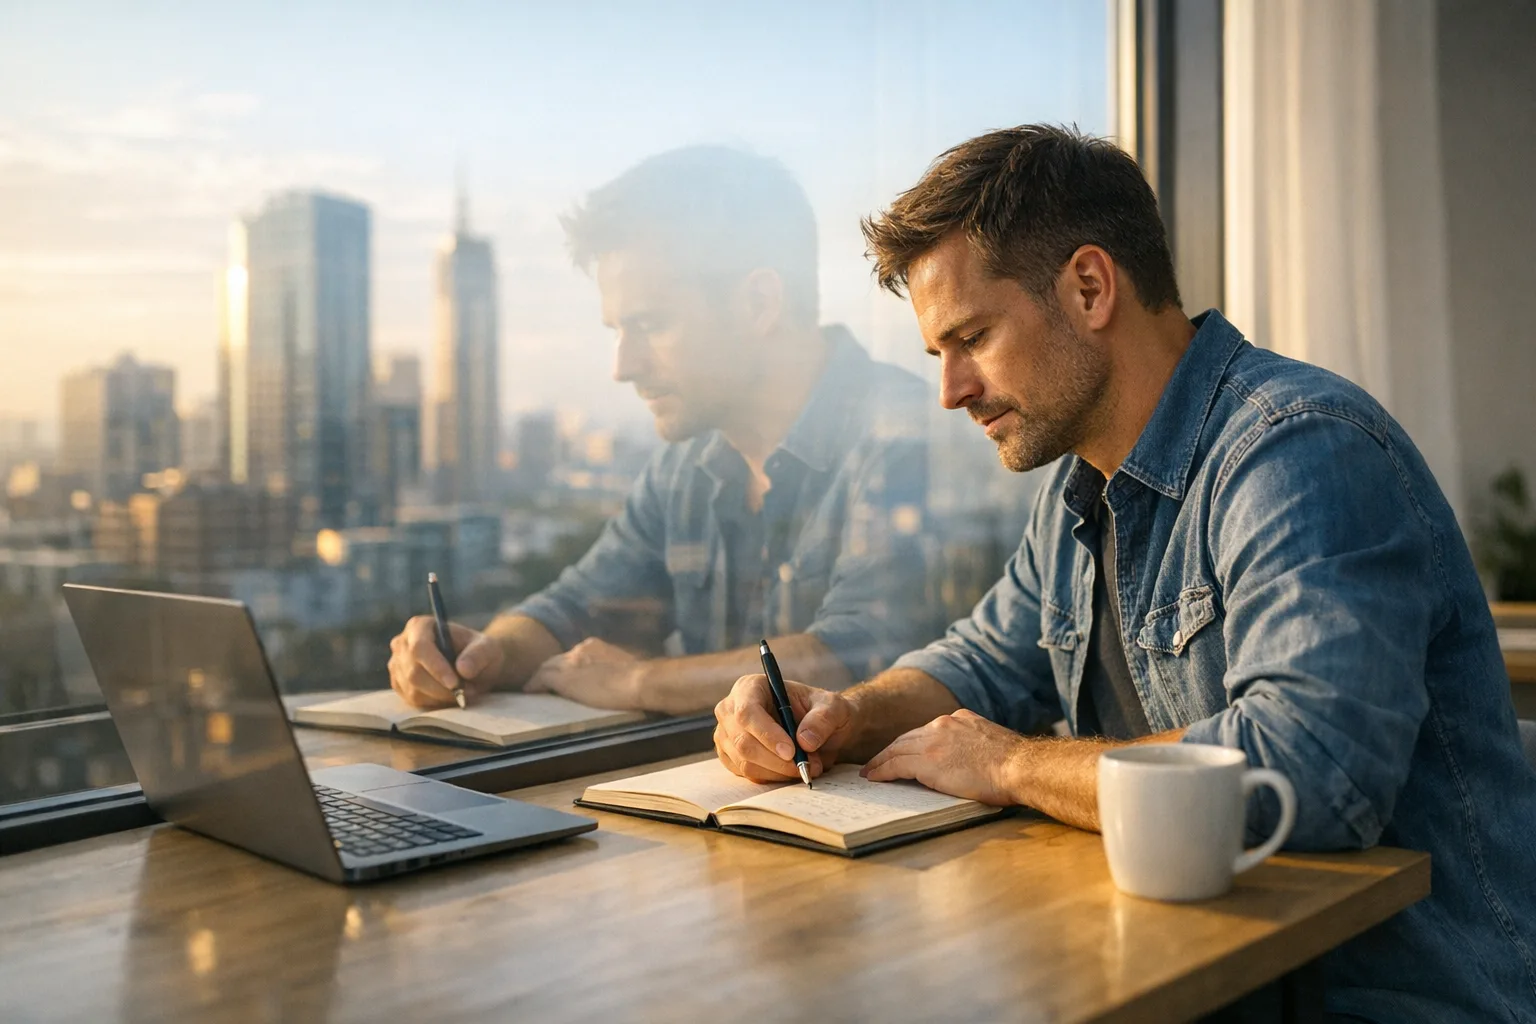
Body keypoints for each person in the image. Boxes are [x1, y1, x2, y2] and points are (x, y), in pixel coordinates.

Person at [711, 125, 1536, 1021]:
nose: (950, 390)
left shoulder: (1299, 451)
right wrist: (840, 716)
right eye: (936, 355)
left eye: (972, 337)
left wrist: (1019, 765)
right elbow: (981, 661)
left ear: (1091, 286)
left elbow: (1312, 772)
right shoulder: (1082, 487)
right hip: (1197, 972)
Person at [389, 146, 932, 715]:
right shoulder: (686, 464)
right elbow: (573, 606)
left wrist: (639, 682)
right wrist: (483, 655)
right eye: (618, 330)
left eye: (649, 324)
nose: (622, 367)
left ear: (759, 303)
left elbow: (860, 657)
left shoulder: (901, 432)